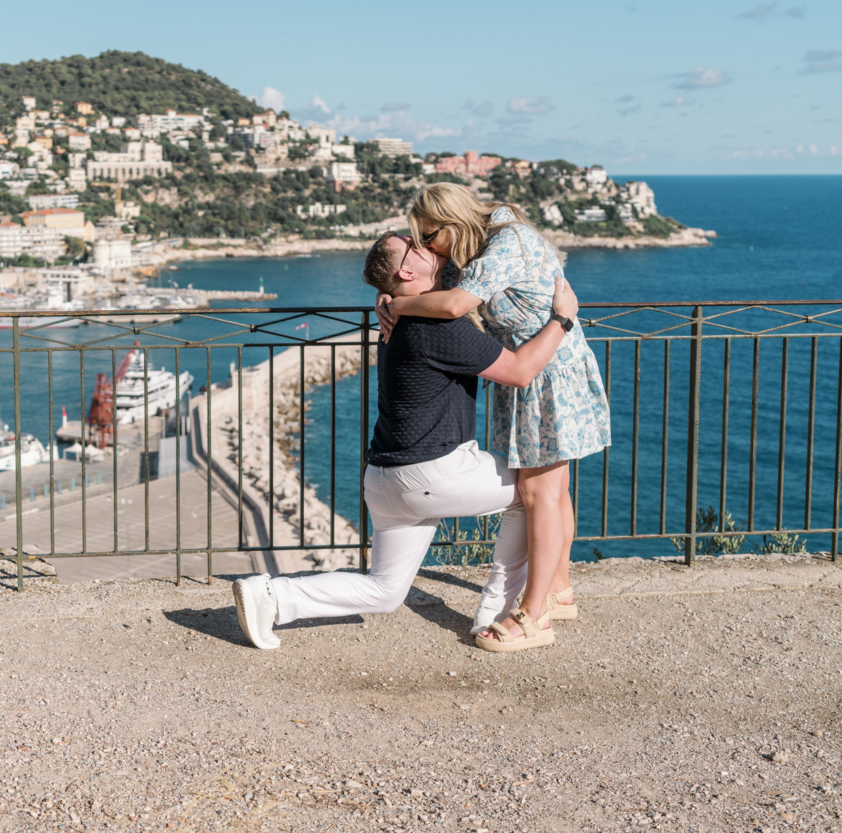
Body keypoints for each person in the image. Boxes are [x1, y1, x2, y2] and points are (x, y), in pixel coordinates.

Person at [232, 232, 581, 652]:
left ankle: (270, 595)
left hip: (383, 478)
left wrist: (390, 299)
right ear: (406, 270)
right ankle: (497, 612)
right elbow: (522, 371)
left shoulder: (397, 321)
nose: (432, 248)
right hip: (433, 473)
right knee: (535, 493)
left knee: (384, 591)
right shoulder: (439, 326)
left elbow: (462, 284)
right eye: (418, 247)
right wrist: (562, 319)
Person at [376, 183, 612, 652]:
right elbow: (440, 291)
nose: (427, 247)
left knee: (538, 492)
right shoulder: (477, 246)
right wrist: (385, 297)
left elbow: (456, 305)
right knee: (548, 490)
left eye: (429, 236)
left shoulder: (506, 241)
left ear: (452, 221)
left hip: (548, 372)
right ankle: (558, 589)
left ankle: (535, 613)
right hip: (527, 371)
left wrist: (396, 304)